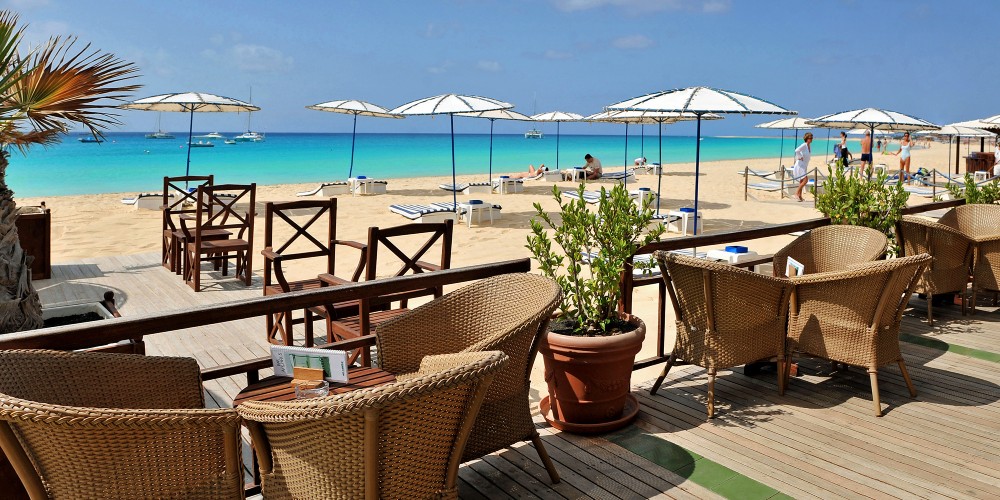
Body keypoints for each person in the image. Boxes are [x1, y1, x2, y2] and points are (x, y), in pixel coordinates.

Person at [792, 132, 813, 202]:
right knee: (805, 180)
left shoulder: (808, 146)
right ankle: (796, 193)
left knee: (801, 181)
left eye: (812, 138)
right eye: (810, 138)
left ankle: (800, 196)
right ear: (807, 139)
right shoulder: (804, 145)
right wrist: (800, 157)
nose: (811, 139)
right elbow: (797, 150)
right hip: (800, 164)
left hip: (804, 165)